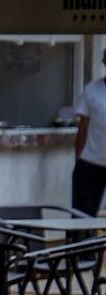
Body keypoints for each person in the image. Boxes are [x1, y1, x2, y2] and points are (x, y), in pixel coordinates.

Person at [72, 47, 106, 216]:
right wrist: (78, 160)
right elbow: (82, 129)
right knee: (82, 217)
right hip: (90, 163)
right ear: (104, 62)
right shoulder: (92, 90)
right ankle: (81, 241)